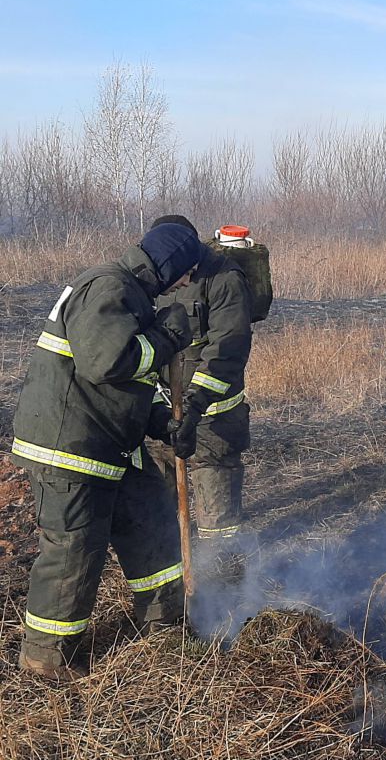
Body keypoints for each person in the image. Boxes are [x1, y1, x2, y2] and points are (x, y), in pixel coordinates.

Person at [10, 223, 202, 680]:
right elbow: (108, 362)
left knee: (151, 518)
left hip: (111, 443)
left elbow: (133, 382)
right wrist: (168, 339)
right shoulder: (109, 287)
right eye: (185, 273)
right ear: (170, 264)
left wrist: (164, 423)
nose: (185, 284)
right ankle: (47, 659)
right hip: (71, 446)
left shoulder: (134, 296)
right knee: (75, 549)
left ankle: (165, 624)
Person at [154, 217, 254, 547]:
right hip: (159, 423)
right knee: (160, 519)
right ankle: (174, 589)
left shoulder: (225, 279)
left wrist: (194, 409)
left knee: (218, 526)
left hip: (213, 423)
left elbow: (227, 350)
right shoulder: (154, 276)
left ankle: (225, 588)